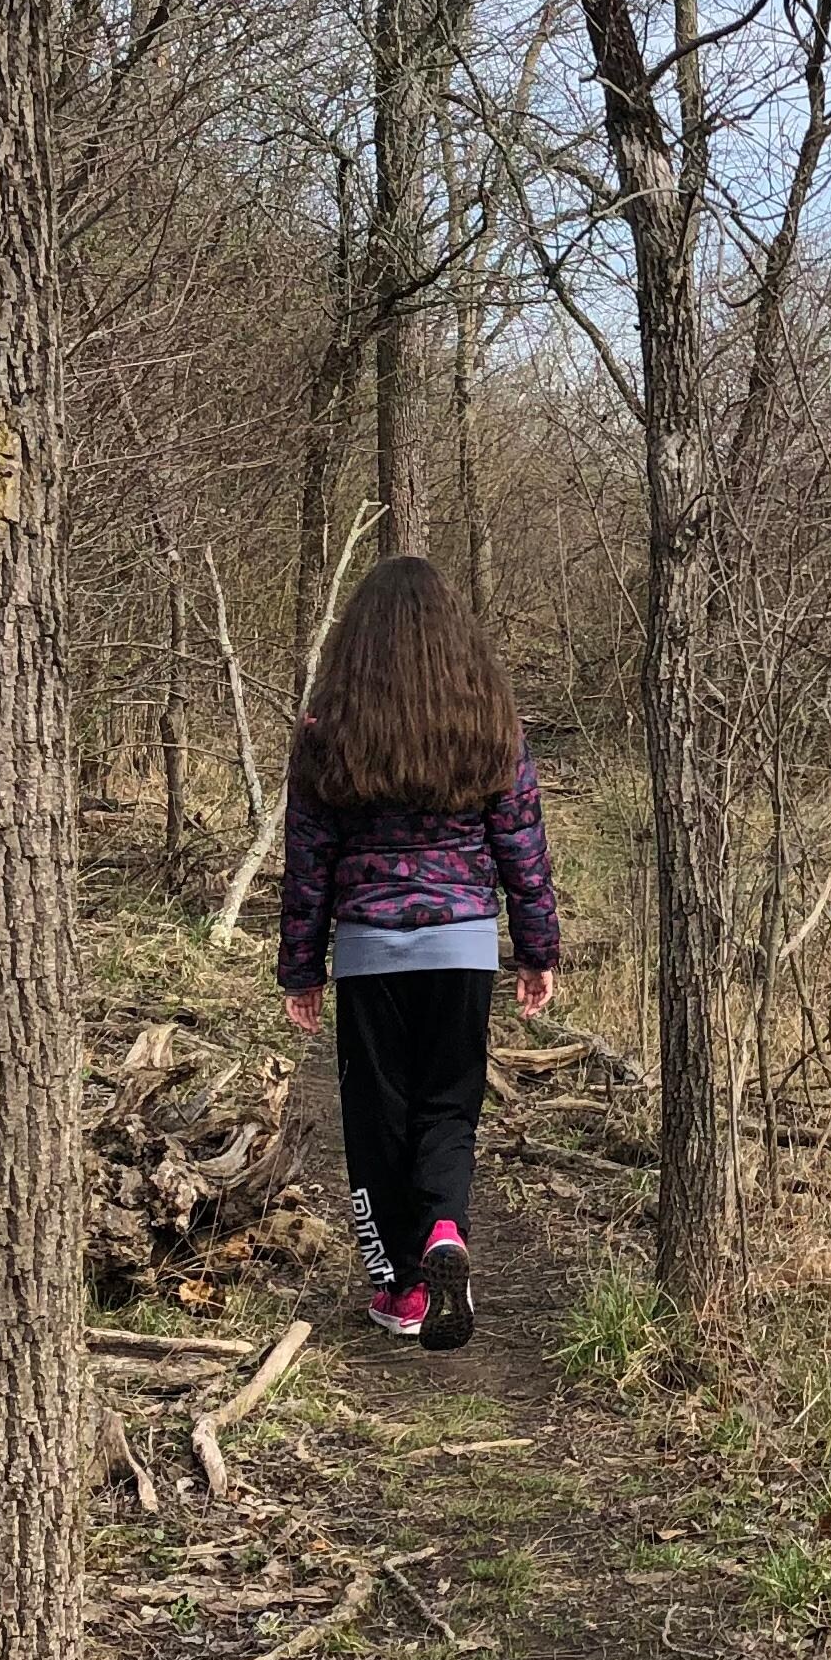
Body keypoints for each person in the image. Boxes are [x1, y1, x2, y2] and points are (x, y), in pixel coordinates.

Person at [275, 556, 560, 1349]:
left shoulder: (327, 730)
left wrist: (301, 967)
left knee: (378, 1120)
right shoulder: (490, 725)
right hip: (463, 945)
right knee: (448, 1108)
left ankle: (400, 1291)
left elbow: (309, 861)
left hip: (370, 950)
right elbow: (523, 849)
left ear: (358, 639)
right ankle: (444, 1229)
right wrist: (536, 949)